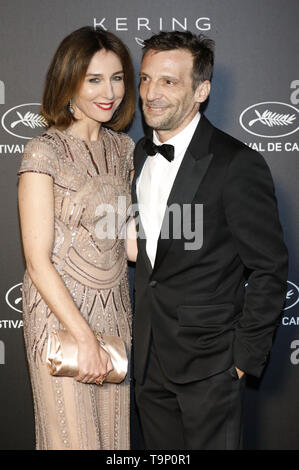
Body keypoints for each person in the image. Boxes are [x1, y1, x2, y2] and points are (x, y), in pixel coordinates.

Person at [132, 31, 288, 450]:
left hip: (210, 365)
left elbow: (270, 268)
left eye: (168, 81)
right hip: (147, 361)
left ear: (201, 90)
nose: (151, 93)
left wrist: (241, 361)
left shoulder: (237, 164)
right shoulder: (137, 157)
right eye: (146, 79)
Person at [17, 26, 137, 450]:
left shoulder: (124, 150)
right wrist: (84, 338)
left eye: (118, 77)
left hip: (116, 310)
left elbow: (130, 243)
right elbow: (37, 260)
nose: (111, 91)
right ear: (68, 81)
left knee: (114, 443)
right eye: (95, 79)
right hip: (60, 316)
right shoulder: (42, 151)